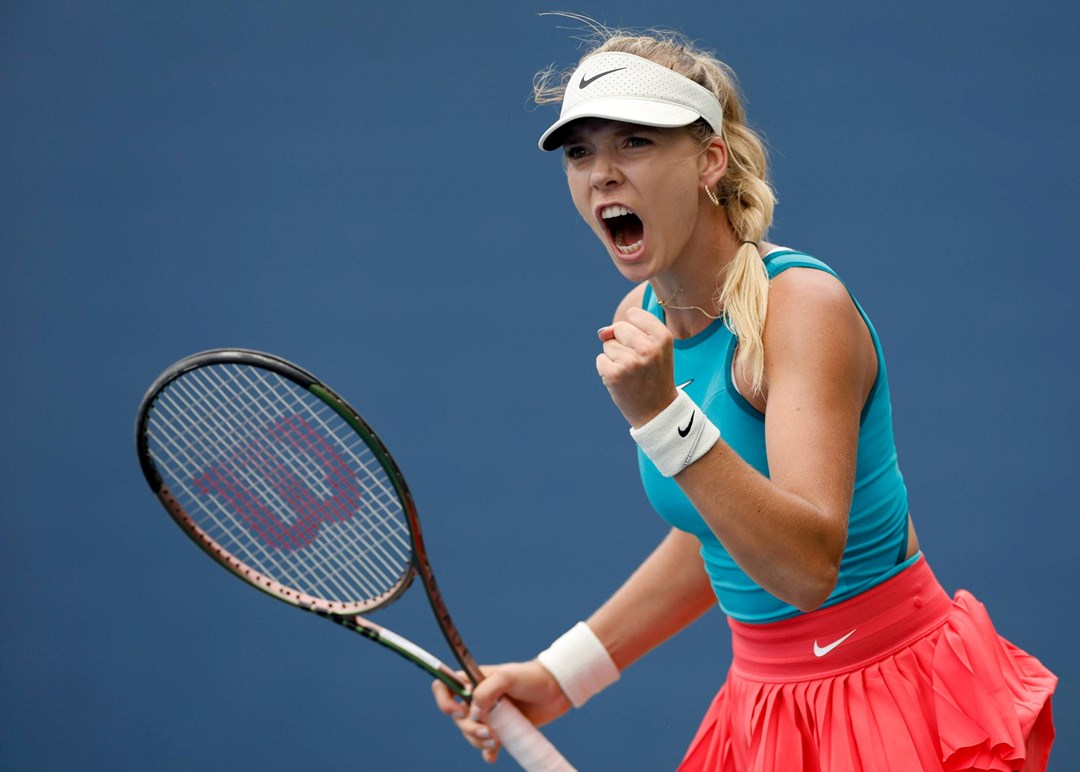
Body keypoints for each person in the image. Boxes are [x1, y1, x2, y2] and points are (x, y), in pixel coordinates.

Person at [432, 24, 1057, 771]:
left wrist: (664, 420)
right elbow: (720, 533)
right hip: (765, 709)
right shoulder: (644, 322)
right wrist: (561, 677)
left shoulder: (803, 308)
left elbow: (803, 570)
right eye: (580, 152)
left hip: (889, 697)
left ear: (709, 160)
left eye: (634, 142)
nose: (602, 173)